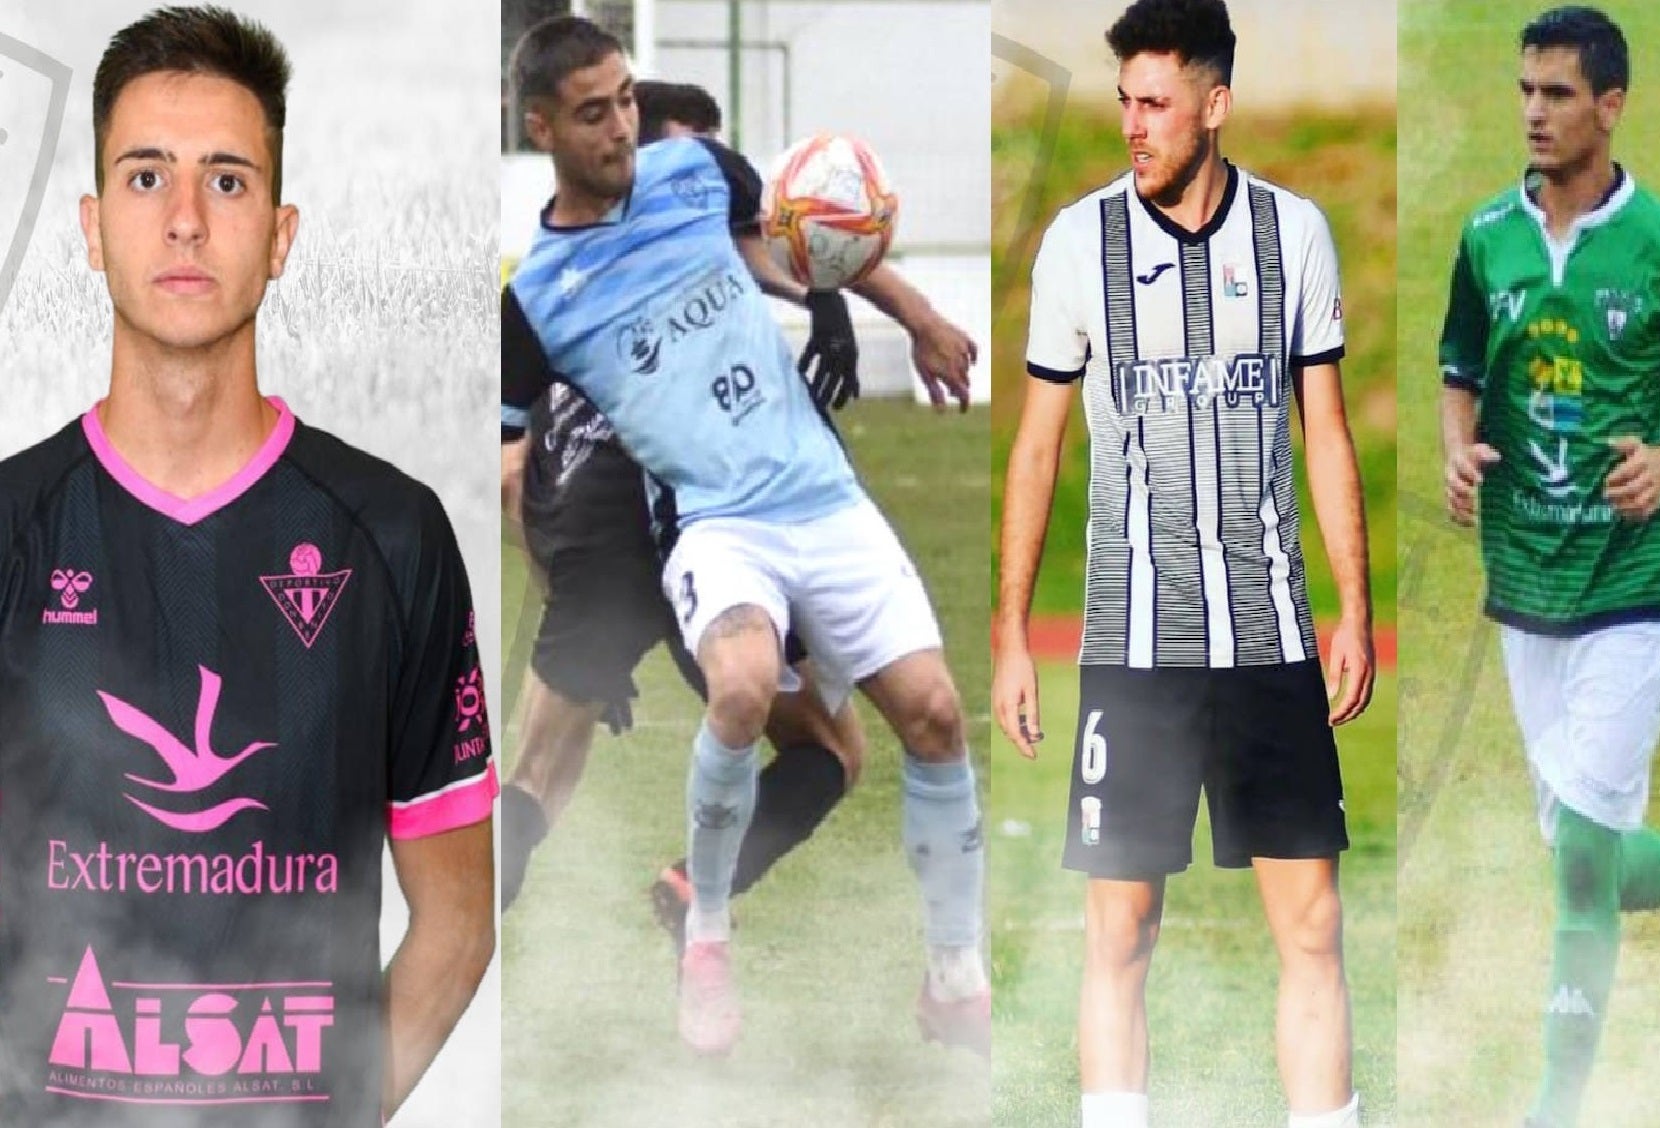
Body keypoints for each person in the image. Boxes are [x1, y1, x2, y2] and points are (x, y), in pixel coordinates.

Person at [0, 8, 496, 1125]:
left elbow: (459, 920)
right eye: (145, 178)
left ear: (279, 234)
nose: (185, 219)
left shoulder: (394, 537)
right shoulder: (12, 529)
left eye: (226, 181)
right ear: (91, 227)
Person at [501, 15, 986, 1057]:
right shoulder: (535, 301)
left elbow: (803, 236)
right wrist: (570, 603)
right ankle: (684, 939)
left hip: (801, 502)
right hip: (686, 524)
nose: (621, 129)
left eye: (627, 101)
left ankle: (947, 974)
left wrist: (911, 315)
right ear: (540, 128)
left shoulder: (694, 171)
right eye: (593, 114)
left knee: (911, 724)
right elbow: (511, 474)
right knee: (716, 704)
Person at [993, 1, 1374, 1124]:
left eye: (1156, 103)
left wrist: (1354, 609)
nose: (1133, 125)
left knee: (1313, 927)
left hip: (1270, 638)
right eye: (1125, 101)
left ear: (1216, 105)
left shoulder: (1294, 234)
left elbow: (1327, 430)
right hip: (1133, 647)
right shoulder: (1080, 244)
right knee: (1120, 933)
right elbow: (1036, 446)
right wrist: (1011, 634)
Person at [1435, 7, 1660, 1125]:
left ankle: (1555, 1109)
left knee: (1579, 856)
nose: (1535, 112)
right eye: (1526, 90)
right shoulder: (1487, 238)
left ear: (1611, 105)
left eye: (1560, 93)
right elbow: (1459, 372)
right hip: (1528, 578)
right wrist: (1456, 450)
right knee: (1587, 859)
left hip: (1639, 575)